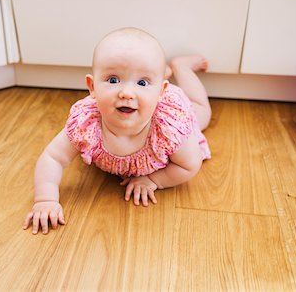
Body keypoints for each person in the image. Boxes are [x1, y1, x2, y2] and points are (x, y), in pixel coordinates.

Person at [23, 27, 211, 234]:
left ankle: (181, 68)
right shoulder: (86, 122)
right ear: (92, 87)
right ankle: (156, 75)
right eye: (113, 80)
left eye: (141, 82)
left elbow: (189, 165)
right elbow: (53, 158)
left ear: (161, 93)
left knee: (201, 112)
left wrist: (154, 180)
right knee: (141, 73)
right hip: (150, 93)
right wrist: (45, 199)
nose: (126, 93)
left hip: (171, 107)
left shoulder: (170, 127)